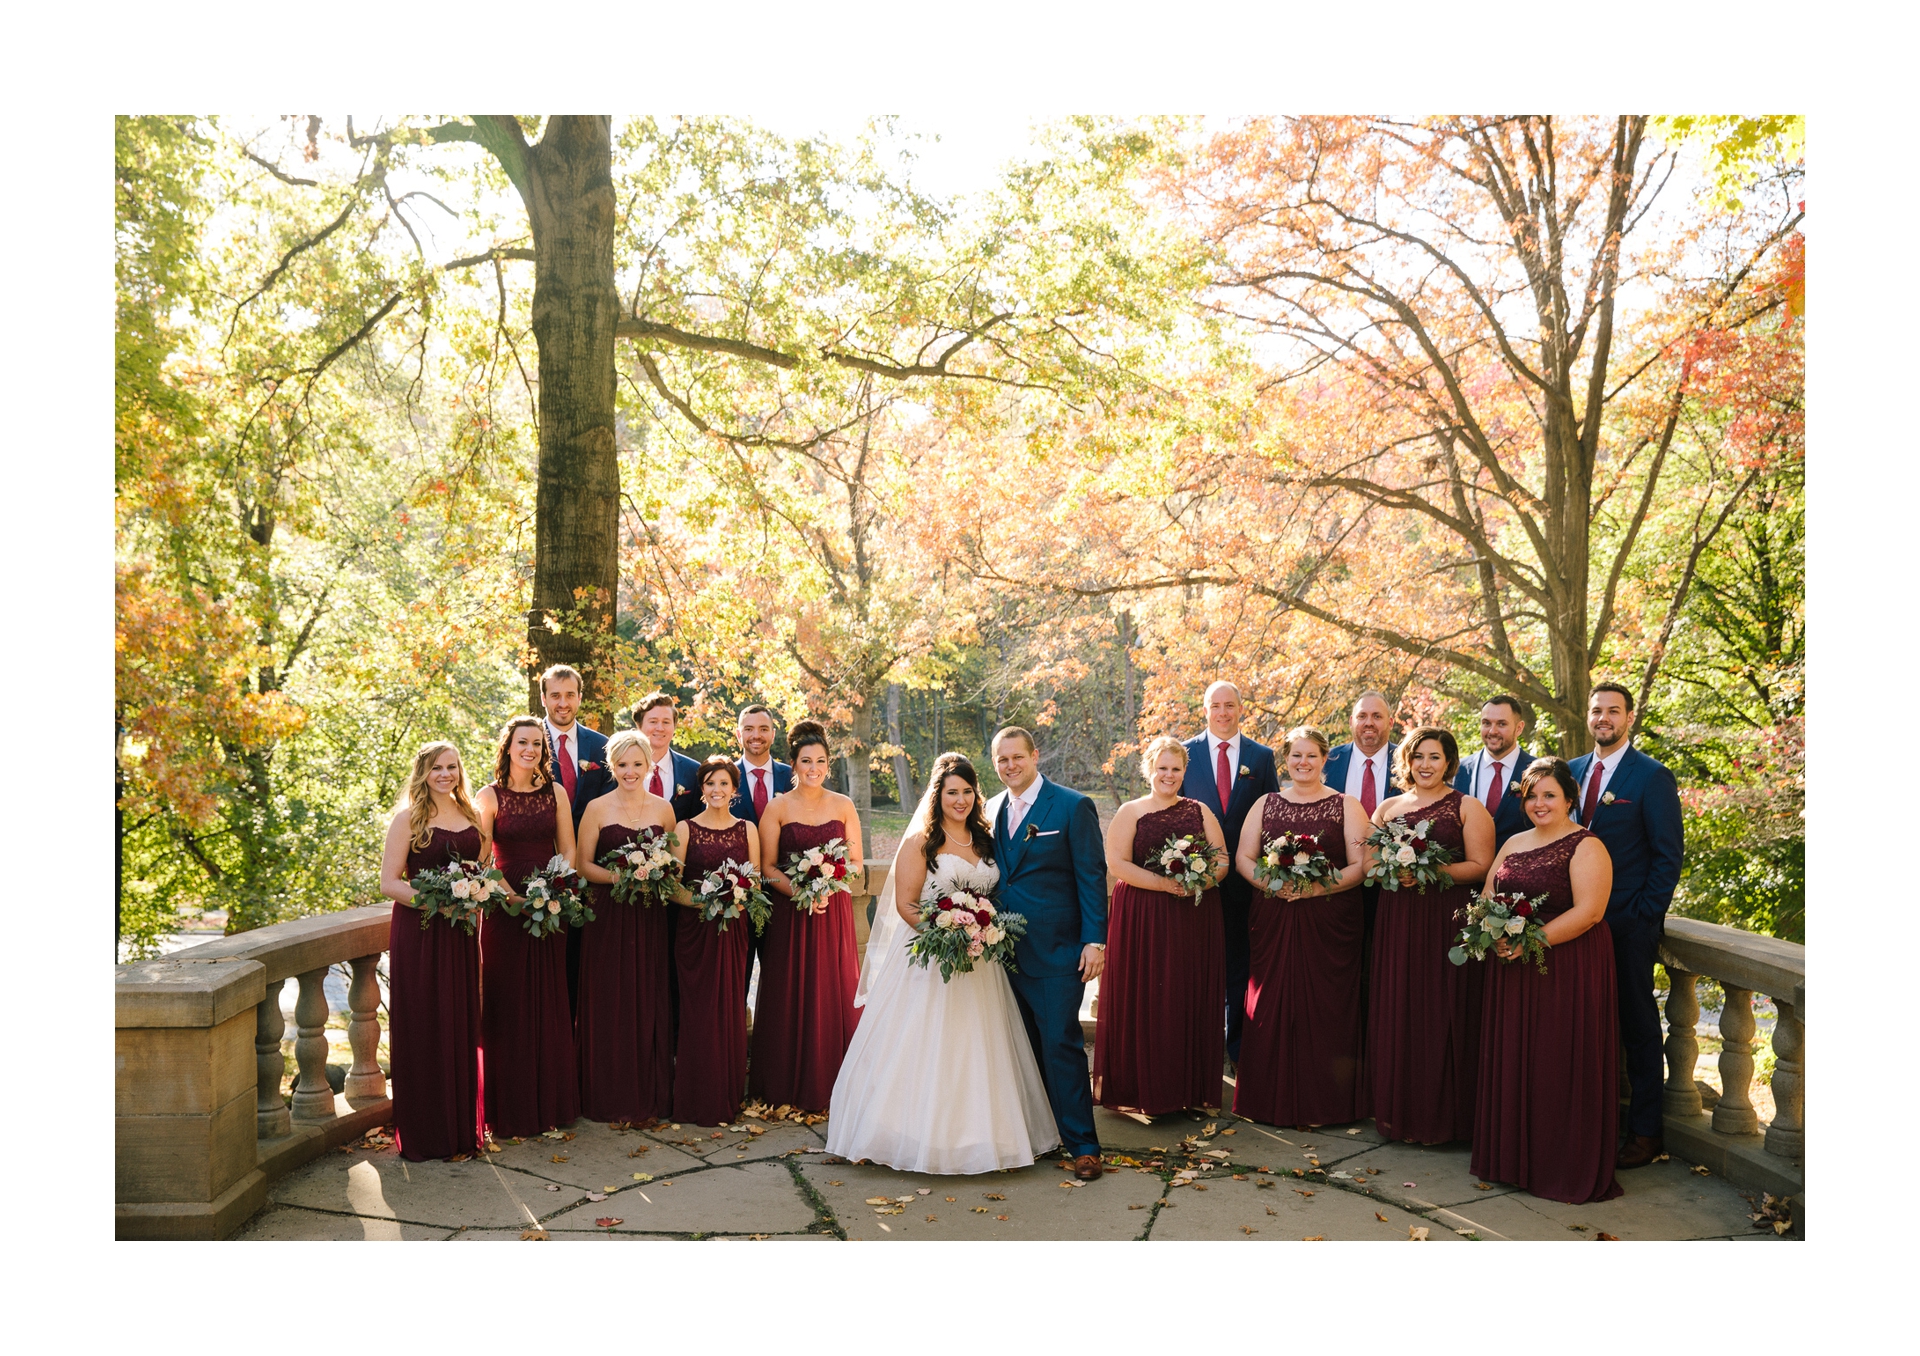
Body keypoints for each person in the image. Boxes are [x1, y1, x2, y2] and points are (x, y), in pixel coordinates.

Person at [826, 752, 1061, 1172]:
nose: (961, 800)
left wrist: (977, 933)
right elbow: (905, 904)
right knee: (924, 1047)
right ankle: (911, 1137)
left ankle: (984, 1137)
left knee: (981, 1048)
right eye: (952, 792)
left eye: (968, 791)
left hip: (981, 962)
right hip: (930, 959)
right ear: (938, 795)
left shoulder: (987, 840)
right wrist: (946, 933)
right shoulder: (923, 843)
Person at [1471, 759, 1622, 1204]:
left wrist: (1530, 940)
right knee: (1518, 1056)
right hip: (1512, 967)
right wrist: (1492, 931)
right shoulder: (1514, 842)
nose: (1539, 803)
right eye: (1532, 796)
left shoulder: (1586, 845)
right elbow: (1485, 897)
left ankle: (1560, 1164)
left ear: (1570, 799)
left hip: (1566, 967)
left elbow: (1590, 911)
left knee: (1557, 1060)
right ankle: (1514, 1159)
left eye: (1549, 795)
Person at [1567, 682, 1685, 1170]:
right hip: (1573, 922)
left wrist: (1643, 918)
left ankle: (1643, 1131)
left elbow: (1667, 855)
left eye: (1613, 711)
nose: (1603, 719)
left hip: (1626, 925)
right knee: (1578, 1024)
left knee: (1637, 1026)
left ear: (1629, 718)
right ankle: (1584, 1122)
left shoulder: (1652, 777)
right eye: (1596, 710)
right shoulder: (1570, 772)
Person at [984, 727, 1109, 1181]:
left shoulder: (1072, 806)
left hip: (1058, 950)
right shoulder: (991, 809)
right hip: (1000, 952)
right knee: (1022, 1047)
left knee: (1061, 1045)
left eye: (1018, 757)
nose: (1010, 766)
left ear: (1035, 756)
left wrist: (1095, 941)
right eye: (1002, 760)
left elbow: (1092, 876)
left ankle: (1084, 1144)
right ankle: (1040, 1135)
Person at [1231, 726, 1370, 1128]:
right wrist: (1274, 884)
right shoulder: (1266, 803)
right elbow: (1244, 857)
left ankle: (1328, 1103)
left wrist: (1312, 890)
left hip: (1330, 919)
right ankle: (1266, 1099)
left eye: (1311, 755)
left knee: (1327, 1006)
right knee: (1271, 1002)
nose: (1302, 762)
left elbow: (1361, 865)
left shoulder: (1347, 805)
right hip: (1274, 915)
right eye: (1295, 755)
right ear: (1285, 760)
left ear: (1325, 760)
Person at [1367, 726, 1494, 1144]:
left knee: (1442, 1011)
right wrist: (1391, 869)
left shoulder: (1467, 807)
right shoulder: (1387, 808)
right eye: (1418, 756)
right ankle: (1399, 1116)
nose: (1425, 764)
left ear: (1450, 763)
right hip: (1398, 920)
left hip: (1445, 920)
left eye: (1435, 757)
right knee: (1400, 1008)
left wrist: (1431, 870)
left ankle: (1445, 1120)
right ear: (1406, 760)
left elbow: (1481, 865)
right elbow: (1368, 863)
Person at [1095, 736, 1230, 1116]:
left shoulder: (1200, 810)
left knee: (1185, 994)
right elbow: (1117, 863)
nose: (1168, 775)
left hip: (1193, 916)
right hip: (1144, 916)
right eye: (1162, 768)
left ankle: (1188, 1091)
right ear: (1148, 769)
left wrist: (1197, 883)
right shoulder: (1131, 811)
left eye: (1176, 769)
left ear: (1184, 772)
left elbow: (1221, 861)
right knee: (1149, 997)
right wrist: (1164, 884)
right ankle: (1142, 1090)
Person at [377, 741, 486, 1161]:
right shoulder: (408, 819)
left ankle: (460, 1129)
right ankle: (425, 1131)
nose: (446, 775)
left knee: (459, 1021)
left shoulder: (472, 816)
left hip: (460, 935)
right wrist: (435, 901)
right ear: (423, 773)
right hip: (421, 933)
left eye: (452, 767)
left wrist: (476, 892)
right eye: (437, 768)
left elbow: (482, 870)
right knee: (424, 1021)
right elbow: (389, 882)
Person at [752, 719, 865, 1111]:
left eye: (820, 761)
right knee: (790, 990)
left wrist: (827, 884)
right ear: (794, 765)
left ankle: (836, 1083)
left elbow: (856, 863)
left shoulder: (844, 805)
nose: (813, 767)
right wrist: (802, 890)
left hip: (832, 913)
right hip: (792, 913)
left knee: (833, 989)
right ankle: (785, 1082)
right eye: (805, 761)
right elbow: (767, 866)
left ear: (828, 765)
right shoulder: (778, 807)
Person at [474, 716, 579, 1138]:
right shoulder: (488, 795)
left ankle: (549, 1101)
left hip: (549, 907)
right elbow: (483, 859)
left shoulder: (555, 793)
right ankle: (509, 1106)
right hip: (504, 909)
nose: (530, 749)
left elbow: (568, 847)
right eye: (523, 742)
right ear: (508, 747)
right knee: (508, 1000)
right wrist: (511, 898)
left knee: (548, 998)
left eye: (537, 743)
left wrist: (553, 886)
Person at [571, 731, 676, 1123]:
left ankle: (648, 1093)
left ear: (650, 765)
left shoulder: (665, 810)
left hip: (649, 917)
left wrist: (653, 873)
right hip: (608, 918)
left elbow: (672, 862)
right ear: (612, 766)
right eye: (622, 764)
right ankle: (607, 1094)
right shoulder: (597, 808)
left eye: (637, 764)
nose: (630, 771)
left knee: (647, 997)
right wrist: (623, 878)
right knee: (610, 1000)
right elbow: (583, 865)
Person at [1180, 681, 1281, 1065]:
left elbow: (1271, 816)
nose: (1223, 712)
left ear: (1241, 709)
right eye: (1215, 706)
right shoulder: (1184, 753)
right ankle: (1200, 1050)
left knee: (1241, 966)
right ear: (1205, 710)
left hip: (1244, 884)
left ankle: (1238, 1049)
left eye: (1230, 705)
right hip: (1194, 880)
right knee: (1197, 968)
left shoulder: (1261, 756)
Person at [669, 757, 759, 1126]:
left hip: (733, 930)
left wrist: (734, 897)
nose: (717, 790)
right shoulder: (685, 827)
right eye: (710, 783)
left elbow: (754, 882)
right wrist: (704, 900)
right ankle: (694, 1097)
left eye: (723, 783)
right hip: (694, 932)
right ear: (701, 789)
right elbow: (671, 886)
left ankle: (727, 1094)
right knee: (697, 1010)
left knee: (730, 1007)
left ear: (734, 790)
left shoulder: (747, 829)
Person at [1324, 690, 1400, 1036]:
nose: (1369, 723)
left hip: (1395, 885)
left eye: (1377, 716)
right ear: (1351, 721)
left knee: (1386, 967)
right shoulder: (1329, 762)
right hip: (1336, 883)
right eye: (1362, 716)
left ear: (1390, 721)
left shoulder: (1411, 761)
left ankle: (1380, 1036)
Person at [539, 664, 612, 1016]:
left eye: (570, 695)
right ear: (543, 698)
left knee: (586, 967)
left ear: (580, 698)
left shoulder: (602, 746)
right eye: (555, 695)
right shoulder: (526, 742)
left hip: (592, 873)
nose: (563, 702)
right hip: (538, 870)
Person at [731, 703, 794, 997]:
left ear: (773, 733)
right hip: (734, 896)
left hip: (784, 893)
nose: (756, 735)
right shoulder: (722, 776)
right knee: (735, 976)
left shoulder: (793, 776)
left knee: (781, 978)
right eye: (749, 729)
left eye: (763, 729)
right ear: (738, 733)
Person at [1453, 694, 1540, 850]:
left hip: (1520, 866)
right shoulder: (1459, 770)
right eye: (1486, 723)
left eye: (1501, 724)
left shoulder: (1538, 771)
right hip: (1468, 869)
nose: (1492, 731)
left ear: (1519, 728)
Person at [633, 690, 705, 823]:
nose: (660, 728)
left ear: (674, 726)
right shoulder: (622, 769)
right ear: (639, 726)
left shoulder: (693, 771)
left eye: (666, 722)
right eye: (653, 721)